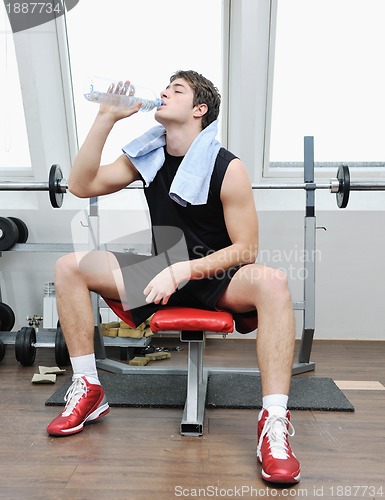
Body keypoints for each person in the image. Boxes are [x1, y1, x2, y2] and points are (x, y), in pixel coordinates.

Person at [46, 70, 300, 484]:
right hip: (160, 266)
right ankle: (89, 389)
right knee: (68, 266)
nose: (163, 93)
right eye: (165, 88)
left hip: (216, 273)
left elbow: (246, 249)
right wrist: (106, 117)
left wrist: (183, 269)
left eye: (176, 90)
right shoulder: (148, 156)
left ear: (199, 110)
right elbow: (81, 184)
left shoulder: (227, 167)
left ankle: (273, 422)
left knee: (273, 280)